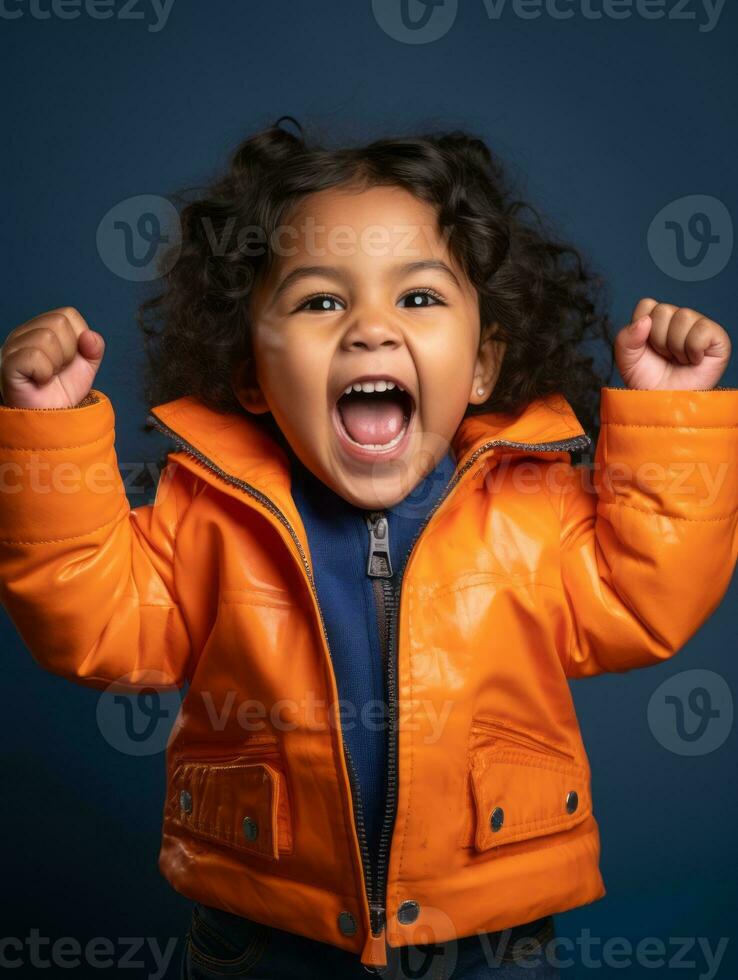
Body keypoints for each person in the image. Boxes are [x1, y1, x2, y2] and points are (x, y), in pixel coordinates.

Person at [0, 117, 735, 979]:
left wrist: (670, 417)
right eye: (321, 300)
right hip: (266, 930)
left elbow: (647, 596)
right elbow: (93, 619)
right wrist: (47, 436)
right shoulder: (202, 515)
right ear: (251, 377)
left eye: (418, 297)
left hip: (488, 934)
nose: (371, 329)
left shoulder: (533, 508)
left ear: (483, 368)